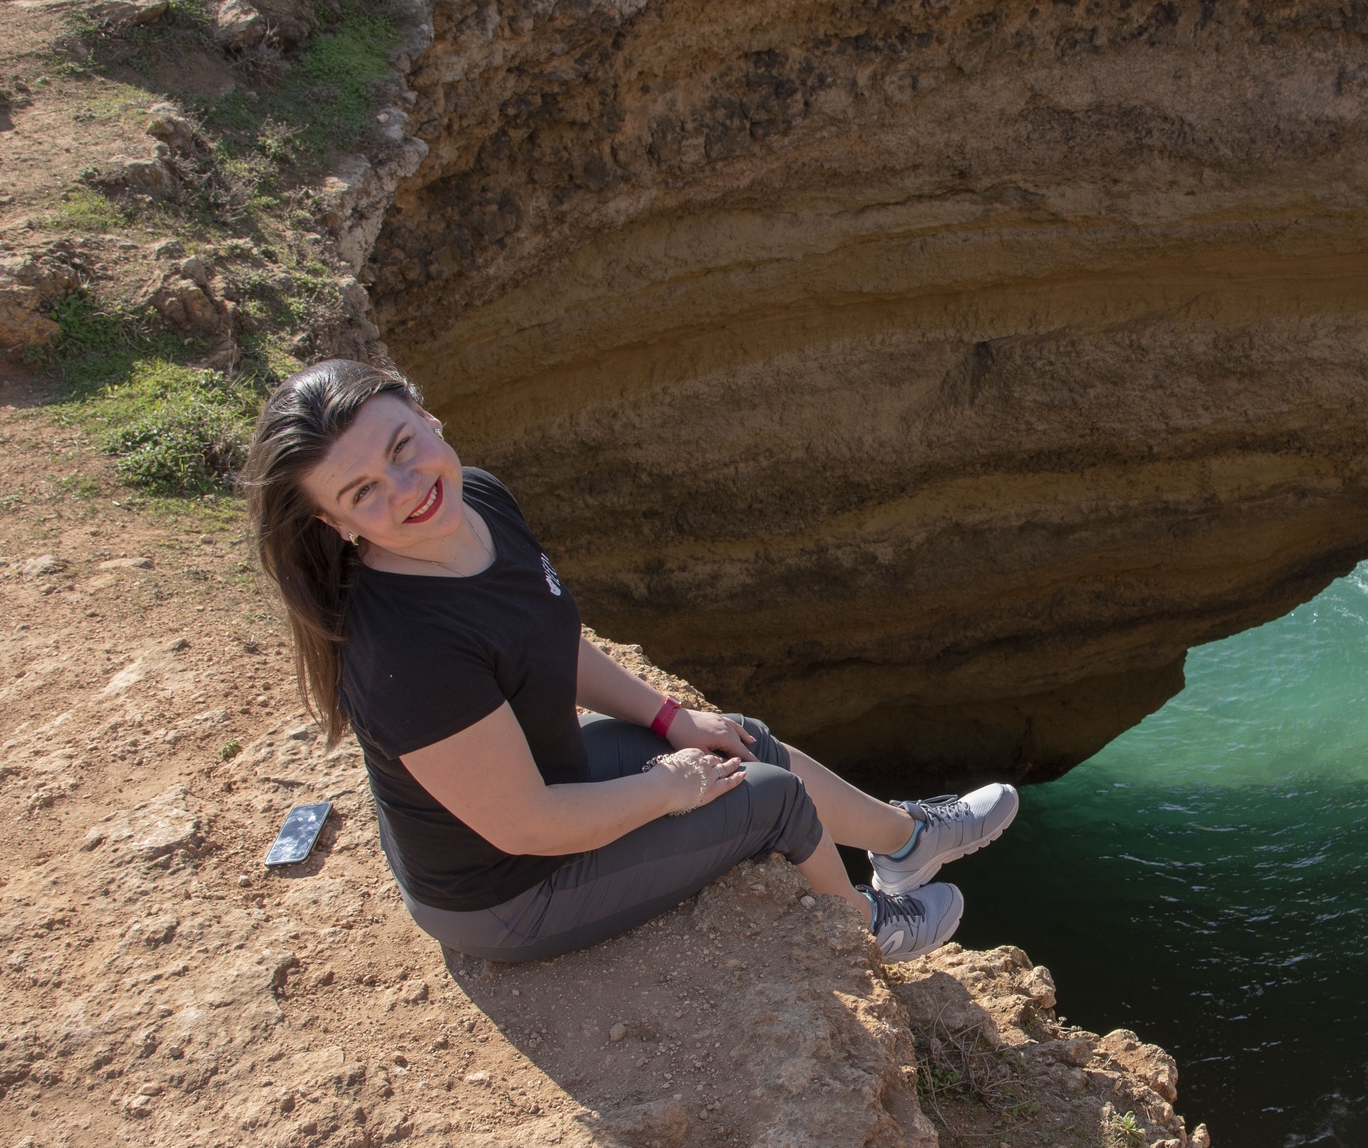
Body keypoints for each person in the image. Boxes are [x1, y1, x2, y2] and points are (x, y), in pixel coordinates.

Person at [241, 361, 1018, 966]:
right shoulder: (403, 650)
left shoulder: (480, 500)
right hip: (506, 891)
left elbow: (550, 638)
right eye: (364, 491)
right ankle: (869, 925)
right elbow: (526, 824)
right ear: (334, 522)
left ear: (426, 415)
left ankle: (905, 842)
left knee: (737, 738)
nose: (407, 488)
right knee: (770, 797)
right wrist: (664, 787)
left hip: (554, 781)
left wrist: (672, 719)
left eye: (403, 447)